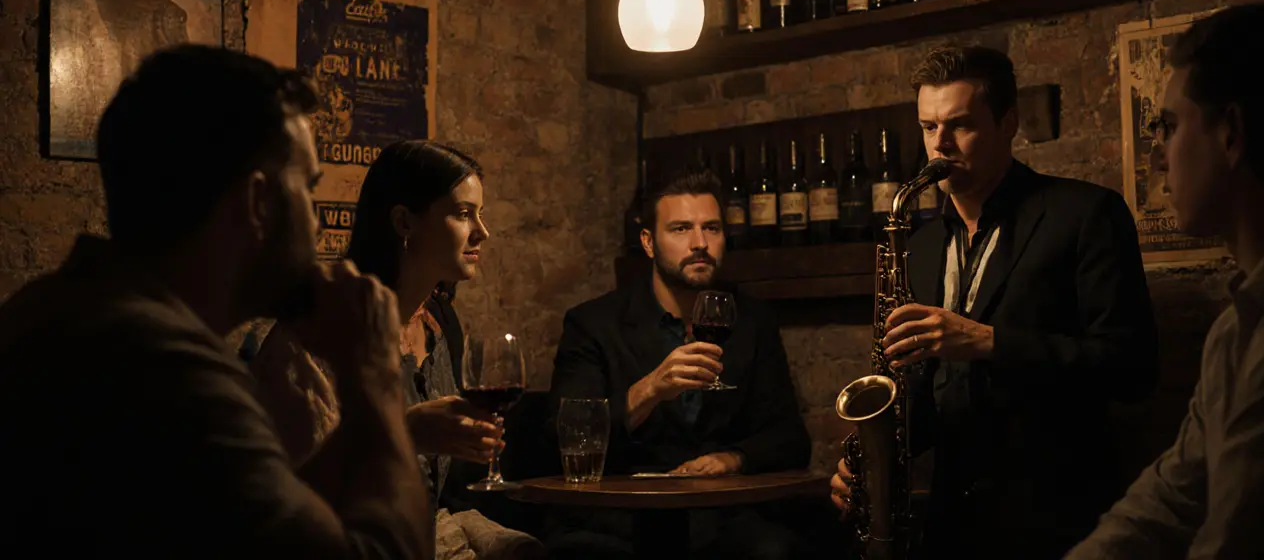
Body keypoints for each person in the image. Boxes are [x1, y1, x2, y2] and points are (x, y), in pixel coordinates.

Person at [0, 45, 431, 557]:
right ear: (259, 203)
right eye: (309, 190)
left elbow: (261, 527)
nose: (316, 223)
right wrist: (375, 376)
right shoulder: (165, 369)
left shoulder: (60, 310)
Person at [828, 45, 1159, 559]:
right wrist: (872, 461)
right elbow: (923, 394)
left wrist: (988, 342)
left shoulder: (1086, 214)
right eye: (928, 127)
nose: (940, 146)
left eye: (959, 125)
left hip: (1057, 520)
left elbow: (1132, 368)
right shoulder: (919, 248)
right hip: (952, 525)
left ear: (1009, 123)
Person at [253, 140, 545, 559]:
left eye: (481, 214)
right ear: (405, 222)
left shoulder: (439, 325)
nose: (482, 231)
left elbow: (436, 501)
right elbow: (289, 502)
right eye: (463, 214)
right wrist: (404, 432)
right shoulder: (318, 331)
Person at [1065, 4, 1264, 559]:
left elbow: (1235, 542)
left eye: (1170, 125)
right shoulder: (1237, 328)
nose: (1159, 155)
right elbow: (1171, 498)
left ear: (1230, 133)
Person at [546, 166, 813, 559]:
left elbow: (790, 438)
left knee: (778, 548)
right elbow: (565, 436)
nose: (700, 243)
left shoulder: (752, 322)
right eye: (680, 229)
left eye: (712, 229)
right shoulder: (595, 325)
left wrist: (733, 458)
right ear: (648, 242)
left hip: (723, 519)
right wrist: (651, 388)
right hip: (625, 520)